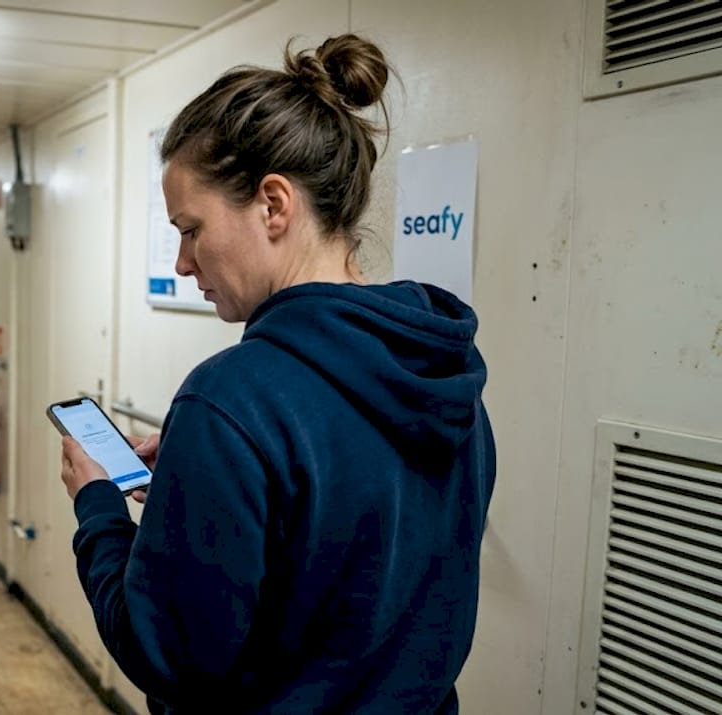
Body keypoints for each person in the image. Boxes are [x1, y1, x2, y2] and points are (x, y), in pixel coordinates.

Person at [59, 34, 495, 714]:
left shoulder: (231, 398)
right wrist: (206, 481)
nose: (181, 261)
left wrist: (99, 511)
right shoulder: (447, 378)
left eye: (190, 228)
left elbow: (165, 655)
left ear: (273, 204)